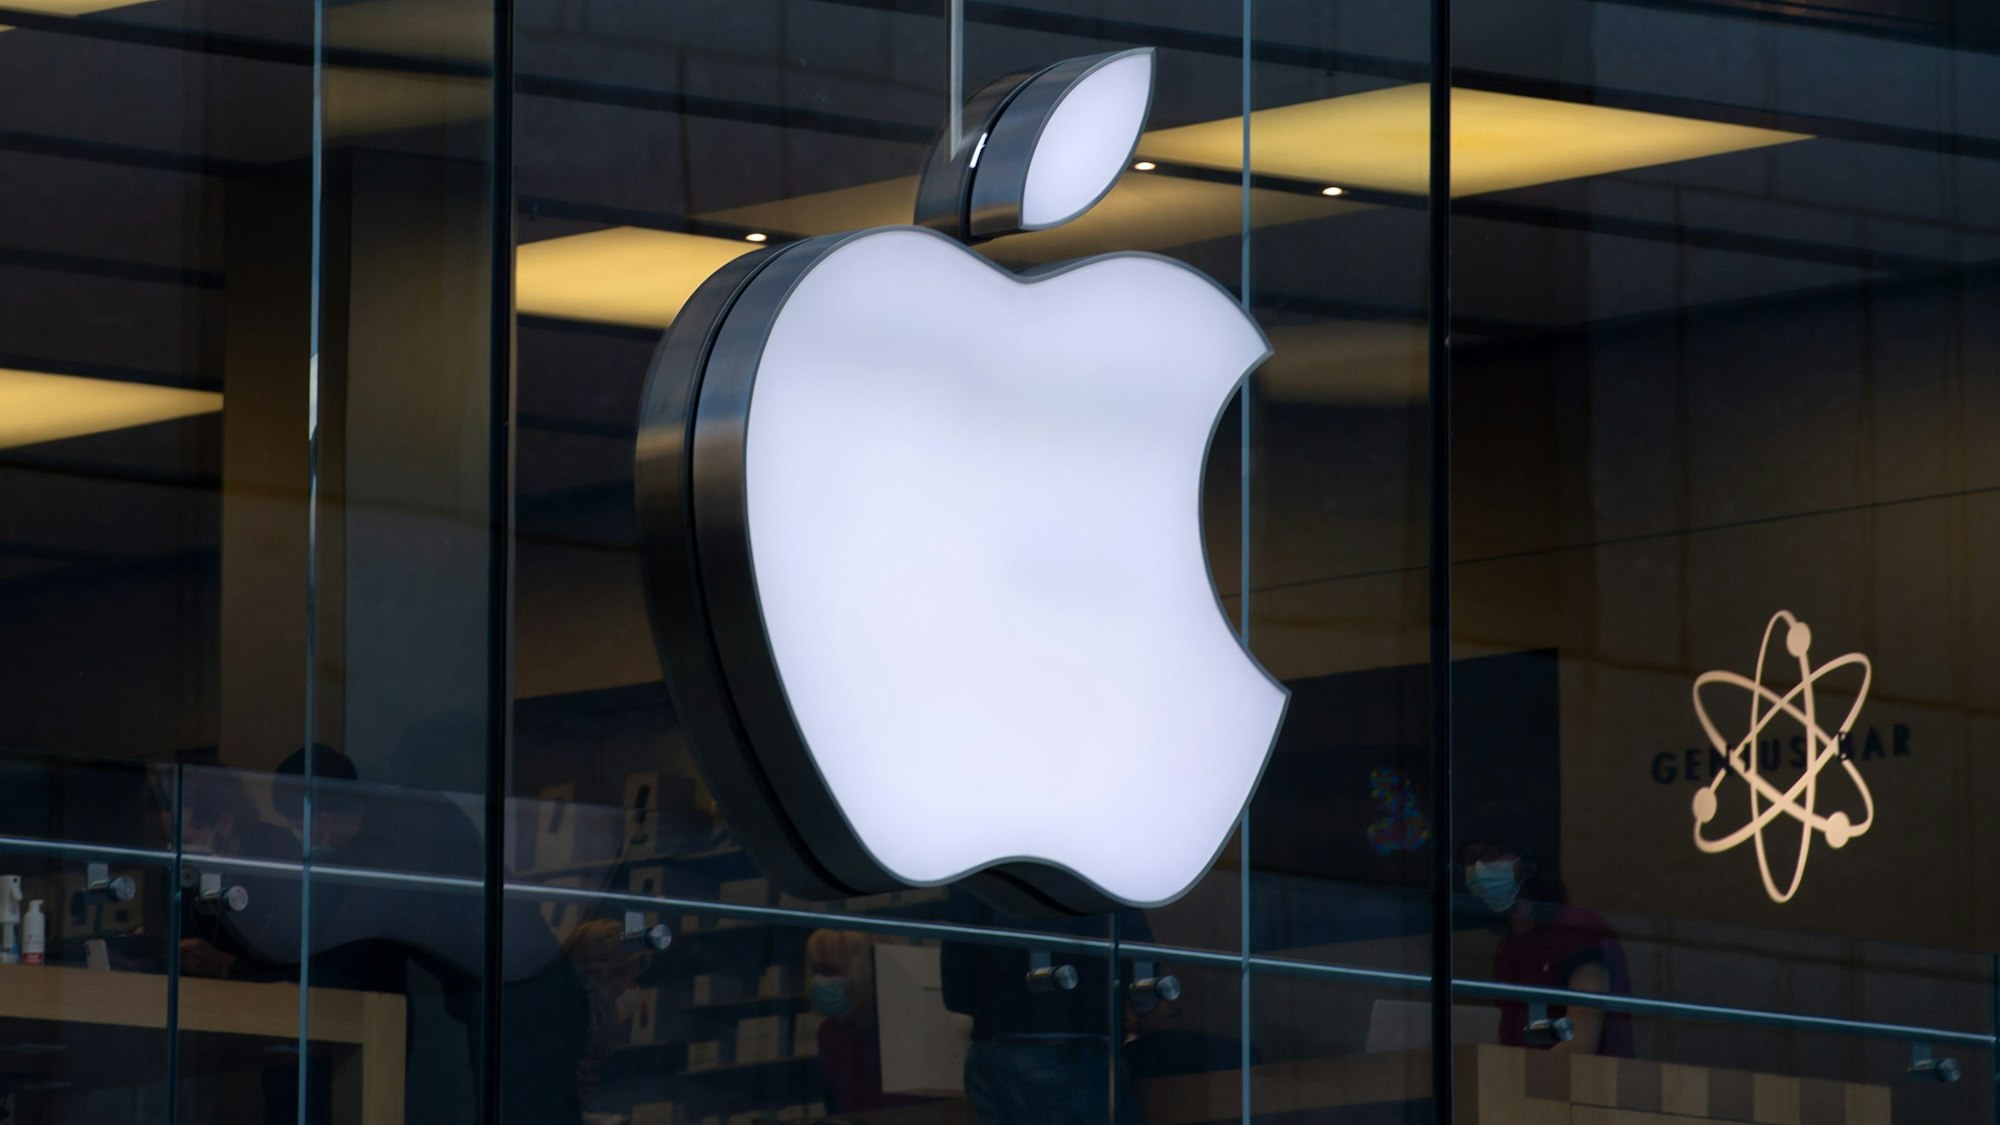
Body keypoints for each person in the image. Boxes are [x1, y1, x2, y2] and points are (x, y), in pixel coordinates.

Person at [1460, 801, 1633, 1056]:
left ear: (1530, 864)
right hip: (1525, 1090)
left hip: (1584, 1091)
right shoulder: (1508, 948)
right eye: (1470, 859)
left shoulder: (1579, 932)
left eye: (1491, 855)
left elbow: (1581, 1043)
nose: (1478, 869)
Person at [803, 930, 924, 1114]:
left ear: (863, 971)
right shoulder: (830, 1033)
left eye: (830, 972)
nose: (819, 981)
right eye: (816, 971)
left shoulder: (907, 1031)